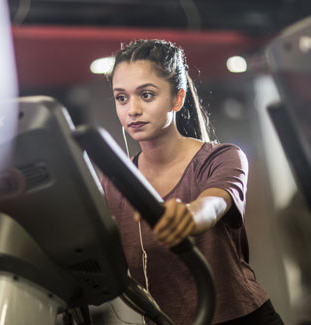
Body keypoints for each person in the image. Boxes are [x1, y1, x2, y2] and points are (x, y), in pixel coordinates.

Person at [100, 39, 284, 324]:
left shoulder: (222, 158)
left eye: (146, 95)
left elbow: (211, 205)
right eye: (121, 97)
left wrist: (188, 214)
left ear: (177, 98)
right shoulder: (114, 183)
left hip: (243, 318)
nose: (132, 109)